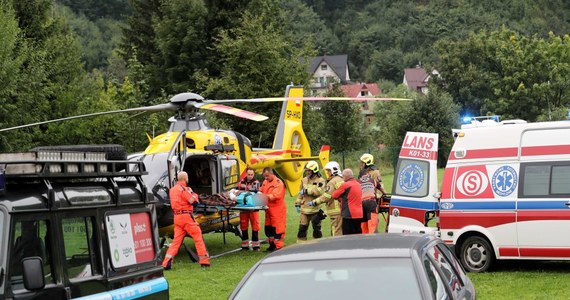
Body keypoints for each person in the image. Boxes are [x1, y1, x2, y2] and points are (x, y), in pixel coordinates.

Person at [162, 171, 210, 269]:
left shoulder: (172, 190)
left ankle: (166, 263)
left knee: (176, 242)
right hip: (186, 217)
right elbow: (194, 202)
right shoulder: (184, 189)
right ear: (185, 179)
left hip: (177, 218)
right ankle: (204, 261)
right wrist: (194, 194)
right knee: (198, 237)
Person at [307, 161, 343, 236]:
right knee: (340, 230)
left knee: (336, 231)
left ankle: (337, 246)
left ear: (334, 170)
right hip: (342, 209)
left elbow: (327, 196)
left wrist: (315, 202)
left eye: (329, 171)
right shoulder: (341, 179)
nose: (328, 173)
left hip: (335, 210)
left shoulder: (332, 182)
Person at [294, 161, 326, 242]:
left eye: (309, 170)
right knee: (302, 229)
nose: (307, 172)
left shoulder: (321, 181)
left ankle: (317, 245)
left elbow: (317, 192)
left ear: (314, 170)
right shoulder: (303, 180)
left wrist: (306, 190)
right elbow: (300, 195)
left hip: (315, 210)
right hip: (304, 210)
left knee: (317, 230)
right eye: (306, 170)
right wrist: (297, 203)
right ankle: (301, 245)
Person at [259, 167, 286, 251]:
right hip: (268, 210)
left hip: (277, 210)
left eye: (267, 176)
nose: (266, 178)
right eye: (264, 176)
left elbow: (275, 195)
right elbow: (261, 190)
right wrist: (258, 193)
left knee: (277, 229)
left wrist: (264, 196)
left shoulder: (278, 183)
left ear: (271, 174)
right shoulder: (265, 182)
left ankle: (278, 247)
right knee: (268, 229)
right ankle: (271, 245)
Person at [359, 153, 387, 234]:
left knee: (372, 221)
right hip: (364, 200)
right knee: (364, 222)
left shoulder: (375, 172)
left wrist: (379, 196)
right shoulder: (362, 172)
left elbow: (380, 185)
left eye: (362, 163)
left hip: (373, 199)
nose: (361, 164)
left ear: (367, 163)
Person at [331, 168, 363, 235]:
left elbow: (334, 195)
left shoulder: (345, 185)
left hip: (349, 214)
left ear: (345, 177)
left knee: (347, 237)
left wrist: (341, 197)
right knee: (358, 236)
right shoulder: (358, 184)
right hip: (359, 214)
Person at [237, 167, 261, 251]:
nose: (250, 176)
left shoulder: (256, 182)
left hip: (253, 208)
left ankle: (256, 246)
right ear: (246, 174)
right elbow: (237, 192)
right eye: (248, 174)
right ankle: (245, 245)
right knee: (243, 226)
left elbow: (255, 190)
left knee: (255, 226)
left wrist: (243, 192)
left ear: (253, 174)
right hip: (243, 208)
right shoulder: (241, 182)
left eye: (251, 174)